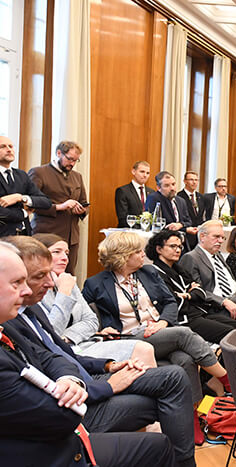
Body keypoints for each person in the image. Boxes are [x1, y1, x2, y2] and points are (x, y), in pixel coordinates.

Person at [3, 236, 196, 466]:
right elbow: (47, 391)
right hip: (78, 406)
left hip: (83, 379)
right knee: (168, 397)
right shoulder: (13, 318)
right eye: (21, 281)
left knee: (175, 374)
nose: (49, 282)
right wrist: (108, 385)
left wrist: (108, 365)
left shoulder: (29, 309)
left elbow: (59, 350)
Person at [82, 231, 233, 444]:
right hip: (129, 340)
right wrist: (98, 330)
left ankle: (191, 417)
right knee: (184, 334)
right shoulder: (96, 283)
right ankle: (228, 381)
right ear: (123, 256)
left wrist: (162, 322)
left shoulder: (148, 273)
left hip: (159, 332)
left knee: (185, 360)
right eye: (137, 251)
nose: (143, 254)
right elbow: (82, 317)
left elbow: (170, 301)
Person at [33, 233, 155, 365]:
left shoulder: (67, 280)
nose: (64, 258)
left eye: (67, 253)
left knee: (145, 350)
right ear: (38, 257)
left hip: (82, 344)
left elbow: (91, 321)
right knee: (146, 350)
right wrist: (64, 293)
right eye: (56, 252)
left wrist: (67, 337)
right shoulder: (34, 290)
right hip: (60, 354)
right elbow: (49, 333)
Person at [146, 230, 236, 344]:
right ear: (159, 249)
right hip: (184, 319)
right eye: (172, 246)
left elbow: (201, 291)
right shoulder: (155, 272)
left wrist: (188, 295)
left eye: (180, 247)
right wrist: (191, 293)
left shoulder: (178, 268)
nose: (178, 250)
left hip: (200, 311)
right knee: (231, 333)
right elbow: (173, 299)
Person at [178, 220, 236, 316]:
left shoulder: (218, 254)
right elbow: (197, 291)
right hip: (217, 304)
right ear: (202, 236)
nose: (220, 241)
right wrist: (224, 301)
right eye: (216, 237)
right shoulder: (191, 257)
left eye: (222, 238)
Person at [29, 141, 89, 274]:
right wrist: (59, 207)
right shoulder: (39, 172)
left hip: (71, 238)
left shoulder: (77, 177)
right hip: (47, 235)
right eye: (70, 159)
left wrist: (81, 210)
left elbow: (84, 202)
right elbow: (31, 203)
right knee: (43, 275)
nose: (72, 164)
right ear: (58, 153)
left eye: (76, 160)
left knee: (68, 276)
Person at [0, 135, 51, 236]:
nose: (9, 150)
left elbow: (46, 202)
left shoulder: (21, 175)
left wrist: (21, 198)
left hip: (24, 235)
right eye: (3, 146)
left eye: (11, 146)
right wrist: (23, 213)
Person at [145, 172, 198, 241]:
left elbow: (188, 221)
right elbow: (155, 224)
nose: (172, 188)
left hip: (182, 240)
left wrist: (180, 225)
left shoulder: (181, 201)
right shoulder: (154, 198)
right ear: (158, 188)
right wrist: (183, 228)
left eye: (173, 184)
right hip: (163, 240)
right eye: (167, 186)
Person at [114, 161, 154, 228]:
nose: (145, 175)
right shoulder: (123, 191)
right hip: (129, 233)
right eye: (142, 172)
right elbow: (123, 218)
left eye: (148, 173)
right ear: (133, 172)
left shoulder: (152, 192)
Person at [177, 171, 202, 249]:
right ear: (185, 181)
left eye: (196, 180)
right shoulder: (179, 197)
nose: (194, 182)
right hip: (186, 234)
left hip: (199, 235)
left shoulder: (200, 197)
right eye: (191, 180)